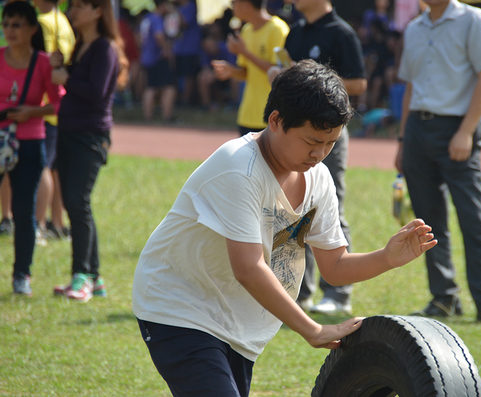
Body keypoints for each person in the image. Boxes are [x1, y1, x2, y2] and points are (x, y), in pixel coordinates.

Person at [132, 60, 437, 397]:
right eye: (311, 141)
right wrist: (313, 329)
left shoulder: (319, 178)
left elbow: (334, 268)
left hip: (237, 322)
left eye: (330, 143)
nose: (319, 153)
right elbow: (248, 268)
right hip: (180, 308)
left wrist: (387, 257)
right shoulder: (239, 168)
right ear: (275, 120)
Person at [394, 0, 481, 324]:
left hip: (457, 128)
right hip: (418, 129)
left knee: (473, 219)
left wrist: (466, 131)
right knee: (427, 222)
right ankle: (443, 297)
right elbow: (411, 86)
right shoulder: (414, 28)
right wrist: (403, 140)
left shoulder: (474, 20)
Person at [277, 0, 367, 316]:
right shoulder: (295, 31)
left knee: (330, 205)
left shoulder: (341, 33)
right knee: (292, 208)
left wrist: (311, 85)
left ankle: (338, 295)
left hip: (327, 135)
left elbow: (358, 83)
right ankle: (297, 291)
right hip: (293, 135)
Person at [50, 0, 128, 302]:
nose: (74, 11)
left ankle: (81, 276)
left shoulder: (105, 48)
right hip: (70, 131)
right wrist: (63, 66)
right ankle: (93, 278)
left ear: (98, 11)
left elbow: (96, 93)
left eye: (81, 5)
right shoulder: (82, 45)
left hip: (90, 136)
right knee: (75, 202)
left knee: (77, 201)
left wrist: (66, 77)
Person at [0, 0, 64, 295]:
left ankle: (21, 275)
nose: (10, 31)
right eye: (6, 24)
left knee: (24, 212)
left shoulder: (43, 63)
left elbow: (58, 102)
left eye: (16, 24)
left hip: (30, 142)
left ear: (31, 29)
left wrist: (31, 112)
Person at [32, 0, 75, 241]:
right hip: (62, 101)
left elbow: (44, 61)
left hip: (46, 102)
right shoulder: (64, 21)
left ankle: (38, 223)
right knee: (56, 168)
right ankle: (57, 224)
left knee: (43, 165)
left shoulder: (42, 22)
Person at [212, 0, 289, 137]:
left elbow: (278, 72)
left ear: (245, 4)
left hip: (270, 115)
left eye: (234, 3)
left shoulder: (278, 29)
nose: (232, 7)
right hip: (247, 114)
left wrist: (244, 52)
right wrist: (232, 71)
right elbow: (246, 72)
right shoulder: (246, 30)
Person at [139, 0, 176, 122]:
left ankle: (148, 117)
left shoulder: (146, 18)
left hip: (147, 57)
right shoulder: (157, 19)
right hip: (157, 58)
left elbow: (138, 37)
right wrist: (167, 49)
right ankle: (167, 116)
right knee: (169, 87)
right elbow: (158, 35)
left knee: (150, 87)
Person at [172, 0, 201, 106]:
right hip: (178, 48)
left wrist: (175, 12)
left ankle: (185, 100)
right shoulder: (177, 8)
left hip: (190, 48)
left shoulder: (191, 6)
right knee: (177, 74)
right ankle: (177, 99)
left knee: (188, 75)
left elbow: (185, 23)